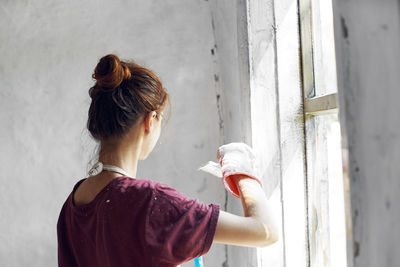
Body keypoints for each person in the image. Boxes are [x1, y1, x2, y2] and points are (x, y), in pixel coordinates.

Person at [57, 54, 278, 267]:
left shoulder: (71, 207)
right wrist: (240, 171)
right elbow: (265, 231)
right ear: (150, 121)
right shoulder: (149, 202)